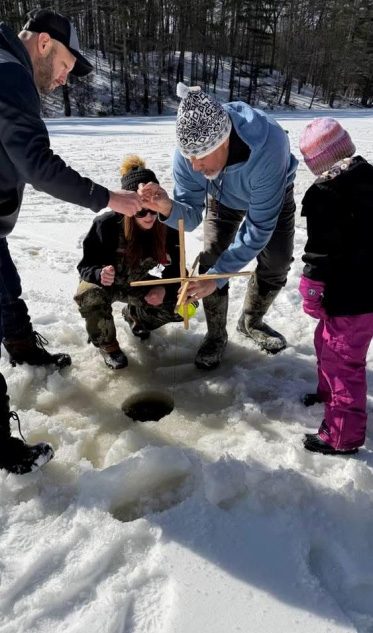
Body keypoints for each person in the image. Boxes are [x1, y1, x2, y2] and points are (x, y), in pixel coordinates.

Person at [0, 9, 142, 475]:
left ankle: (21, 346)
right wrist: (108, 198)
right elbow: (38, 165)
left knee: (6, 285)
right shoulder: (10, 75)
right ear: (44, 43)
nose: (64, 78)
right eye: (64, 65)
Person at [140, 83, 298, 370]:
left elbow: (259, 227)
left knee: (276, 262)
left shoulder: (269, 145)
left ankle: (252, 321)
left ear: (223, 141)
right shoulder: (189, 159)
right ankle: (216, 335)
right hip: (223, 197)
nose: (195, 167)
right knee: (211, 260)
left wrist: (219, 277)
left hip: (273, 191)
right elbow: (189, 217)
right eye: (189, 158)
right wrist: (167, 207)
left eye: (200, 158)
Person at [298, 118, 373, 455]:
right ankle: (328, 393)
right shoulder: (369, 177)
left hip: (351, 298)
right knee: (324, 341)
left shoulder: (325, 194)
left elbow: (319, 251)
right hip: (361, 292)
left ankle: (342, 436)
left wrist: (311, 289)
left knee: (343, 363)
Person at [74, 156, 184, 369]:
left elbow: (180, 272)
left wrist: (163, 288)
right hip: (107, 286)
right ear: (129, 208)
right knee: (88, 294)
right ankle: (108, 345)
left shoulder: (167, 227)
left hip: (137, 285)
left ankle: (136, 317)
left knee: (182, 306)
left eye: (154, 209)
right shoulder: (106, 225)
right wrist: (99, 274)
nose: (149, 216)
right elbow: (85, 266)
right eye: (141, 210)